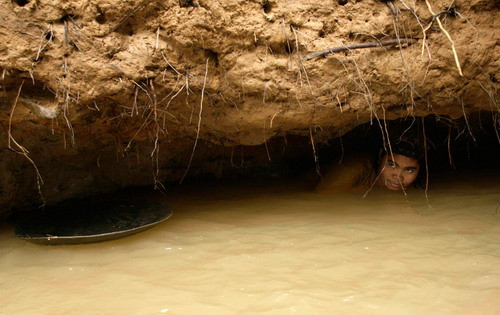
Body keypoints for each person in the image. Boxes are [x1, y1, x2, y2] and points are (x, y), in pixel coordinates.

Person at [316, 139, 421, 194]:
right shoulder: (353, 169)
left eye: (409, 170)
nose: (398, 176)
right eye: (392, 164)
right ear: (380, 156)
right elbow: (320, 200)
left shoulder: (418, 186)